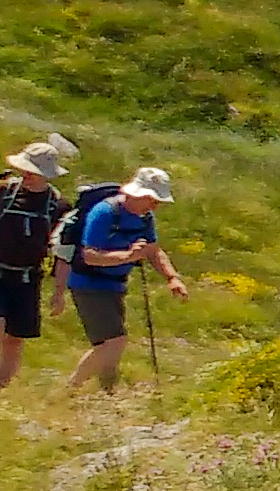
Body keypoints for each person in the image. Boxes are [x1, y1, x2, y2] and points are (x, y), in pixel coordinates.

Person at [0, 140, 73, 391]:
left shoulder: (59, 205)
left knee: (16, 338)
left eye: (34, 172)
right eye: (26, 170)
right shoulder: (2, 192)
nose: (27, 175)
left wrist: (59, 292)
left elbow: (64, 251)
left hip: (27, 278)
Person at [62, 167, 187, 395]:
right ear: (137, 193)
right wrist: (128, 256)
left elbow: (153, 251)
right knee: (114, 341)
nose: (155, 206)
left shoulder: (144, 218)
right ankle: (71, 389)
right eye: (152, 199)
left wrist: (172, 277)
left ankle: (106, 390)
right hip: (88, 283)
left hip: (115, 285)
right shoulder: (104, 212)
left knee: (110, 344)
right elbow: (90, 255)